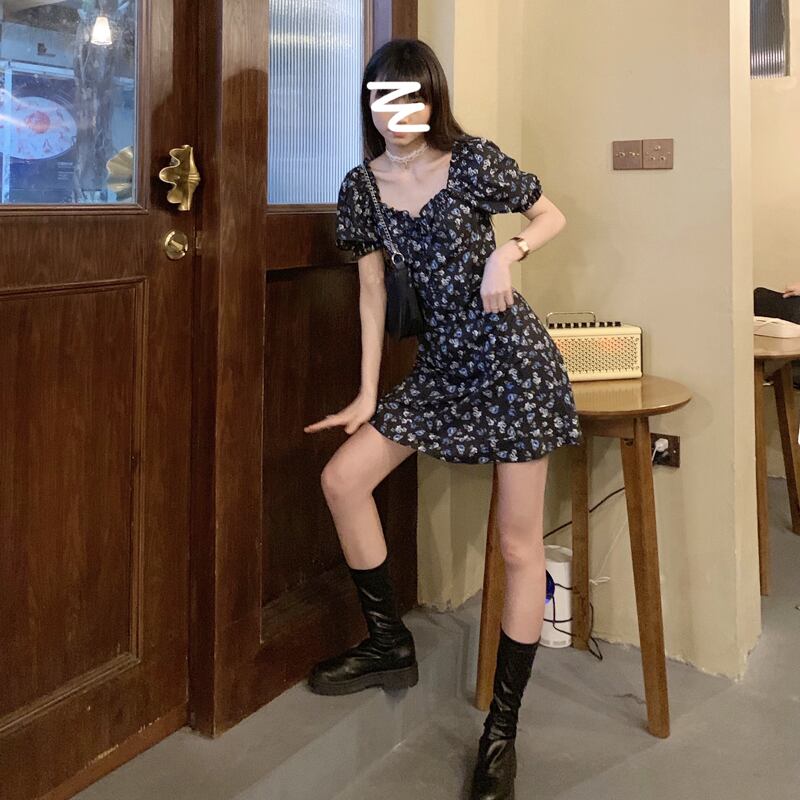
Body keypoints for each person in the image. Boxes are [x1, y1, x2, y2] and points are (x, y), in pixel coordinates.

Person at [303, 38, 583, 800]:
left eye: (410, 96)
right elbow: (371, 294)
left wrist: (507, 254)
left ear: (431, 100)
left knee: (518, 547)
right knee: (343, 480)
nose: (396, 112)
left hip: (512, 365)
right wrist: (368, 394)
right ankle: (388, 643)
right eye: (381, 97)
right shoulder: (362, 187)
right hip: (438, 370)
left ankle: (501, 734)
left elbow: (551, 213)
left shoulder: (471, 162)